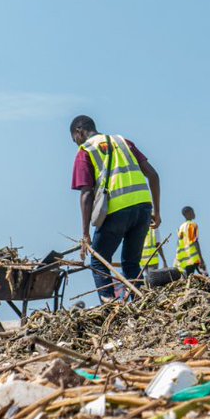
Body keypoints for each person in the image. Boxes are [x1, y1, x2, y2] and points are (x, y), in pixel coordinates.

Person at [70, 115, 162, 302]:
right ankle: (140, 303)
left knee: (99, 261)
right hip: (143, 208)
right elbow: (153, 175)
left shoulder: (86, 150)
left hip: (116, 211)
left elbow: (86, 194)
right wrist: (157, 212)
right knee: (131, 263)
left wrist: (85, 233)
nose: (76, 143)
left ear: (79, 131)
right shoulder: (123, 142)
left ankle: (109, 306)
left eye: (74, 139)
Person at [175, 207, 206, 276]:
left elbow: (179, 244)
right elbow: (195, 242)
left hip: (185, 259)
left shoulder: (181, 227)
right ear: (188, 213)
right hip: (194, 258)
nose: (194, 214)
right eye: (192, 212)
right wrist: (201, 259)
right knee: (205, 276)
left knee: (188, 277)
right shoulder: (192, 225)